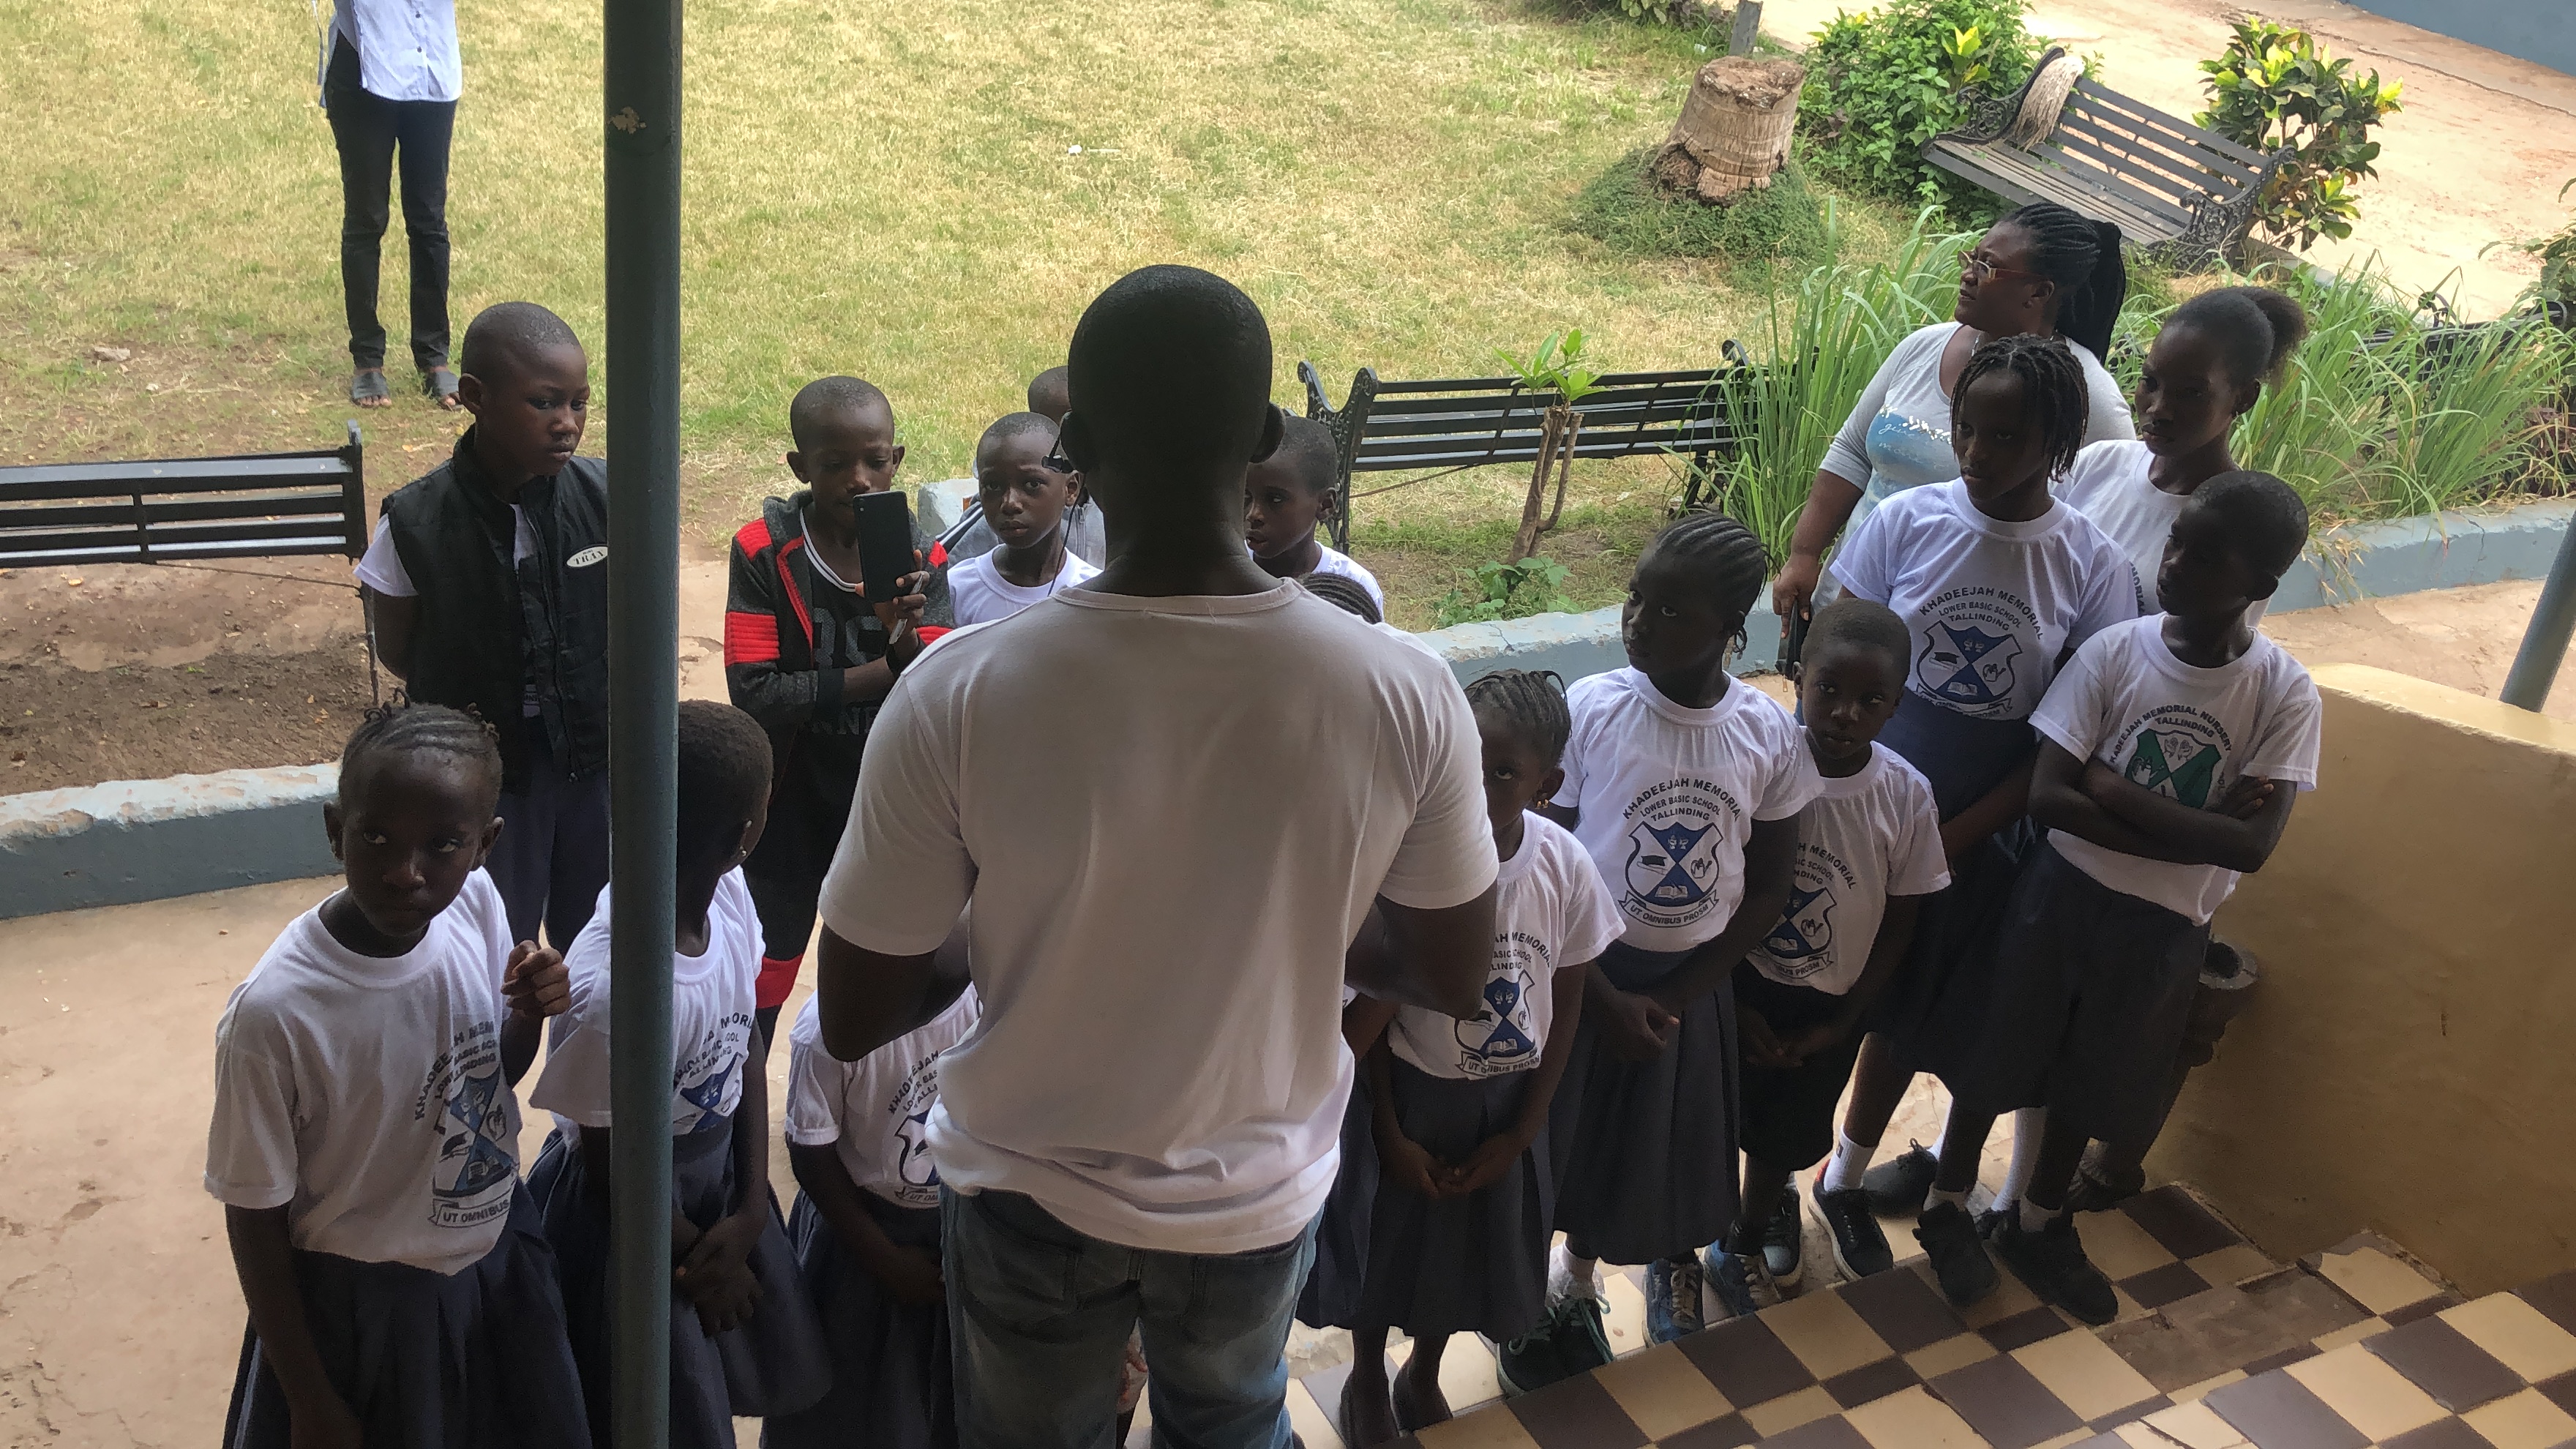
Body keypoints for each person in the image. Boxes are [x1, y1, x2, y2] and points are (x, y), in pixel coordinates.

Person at [812, 264, 1498, 1449]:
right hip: (1253, 1197)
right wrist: (1293, 915)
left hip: (1023, 1187)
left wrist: (1025, 913)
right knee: (1231, 1424)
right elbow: (1452, 972)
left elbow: (857, 1010)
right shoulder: (1400, 689)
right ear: (1260, 436)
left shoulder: (958, 692)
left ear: (1076, 449)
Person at [1947, 472, 2321, 1323]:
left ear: (2261, 585)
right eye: (2177, 540)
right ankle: (1948, 1199)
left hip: (2165, 926)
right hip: (2060, 893)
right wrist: (2197, 829)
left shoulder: (2283, 692)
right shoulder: (2116, 652)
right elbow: (2049, 796)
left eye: (2207, 557)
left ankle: (2037, 1220)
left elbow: (2252, 847)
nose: (2175, 562)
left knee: (2096, 1075)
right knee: (2000, 1046)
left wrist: (2112, 788)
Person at [1816, 334, 2138, 1306]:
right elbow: (1838, 660)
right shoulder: (1905, 522)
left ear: (2058, 444)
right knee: (1860, 999)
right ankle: (1839, 1177)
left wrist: (1950, 839)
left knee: (1951, 1007)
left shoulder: (2089, 564)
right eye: (1968, 429)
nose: (1977, 452)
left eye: (2006, 437)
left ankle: (1953, 1194)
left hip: (1991, 825)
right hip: (1877, 803)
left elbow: (2068, 735)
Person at [209, 703, 591, 1449]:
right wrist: (310, 1399)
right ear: (335, 830)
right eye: (376, 837)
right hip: (367, 1311)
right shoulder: (276, 1015)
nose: (404, 872)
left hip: (497, 1262)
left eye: (442, 844)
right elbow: (252, 1218)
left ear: (484, 846)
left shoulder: (474, 903)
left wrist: (526, 1015)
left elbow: (484, 1083)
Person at [1503, 512, 1821, 1378]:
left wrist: (1675, 999)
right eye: (1637, 597)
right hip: (1580, 978)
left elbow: (1767, 888)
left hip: (1685, 990)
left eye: (1671, 610)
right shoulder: (1592, 710)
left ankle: (1575, 1287)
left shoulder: (1765, 733)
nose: (1639, 620)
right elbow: (1545, 867)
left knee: (1627, 1156)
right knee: (1550, 1144)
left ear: (1731, 629)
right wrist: (1604, 998)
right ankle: (1520, 1303)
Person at [1325, 670, 1621, 1445]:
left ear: (1547, 785)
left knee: (1463, 1254)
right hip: (1409, 1093)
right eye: (1464, 763)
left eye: (1502, 773)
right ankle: (1367, 1375)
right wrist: (1388, 1130)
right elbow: (1376, 1008)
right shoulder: (1404, 862)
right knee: (1384, 1247)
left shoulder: (1563, 866)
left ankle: (1422, 1373)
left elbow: (1568, 1002)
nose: (1475, 787)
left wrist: (1523, 1131)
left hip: (1505, 1102)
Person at [528, 700, 831, 1446]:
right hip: (634, 1221)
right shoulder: (614, 993)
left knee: (709, 1377)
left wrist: (751, 1211)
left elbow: (745, 1043)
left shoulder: (729, 898)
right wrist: (700, 1257)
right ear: (746, 833)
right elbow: (608, 1164)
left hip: (718, 1184)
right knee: (652, 1399)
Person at [1710, 599, 1948, 1313]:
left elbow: (1901, 922)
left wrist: (1844, 1022)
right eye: (1830, 690)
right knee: (1710, 1120)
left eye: (1871, 700)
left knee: (1782, 1137)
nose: (1845, 714)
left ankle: (1746, 1238)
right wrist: (1731, 999)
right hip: (1741, 985)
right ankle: (1688, 1242)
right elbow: (1719, 887)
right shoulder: (1757, 767)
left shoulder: (1904, 796)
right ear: (1798, 677)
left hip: (1828, 1005)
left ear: (1896, 705)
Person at [359, 302, 610, 948]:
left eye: (579, 403)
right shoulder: (417, 521)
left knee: (600, 940)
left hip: (594, 763)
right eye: (544, 403)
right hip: (486, 779)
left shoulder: (606, 498)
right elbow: (399, 649)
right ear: (474, 397)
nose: (567, 423)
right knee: (494, 944)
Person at [1772, 203, 2136, 625]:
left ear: (2039, 293)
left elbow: (2102, 521)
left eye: (1987, 267)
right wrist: (1804, 554)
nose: (1967, 275)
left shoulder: (2088, 397)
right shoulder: (1923, 348)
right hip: (1843, 608)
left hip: (1963, 631)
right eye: (1971, 259)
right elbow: (1853, 449)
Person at [727, 377, 943, 1046]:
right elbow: (755, 692)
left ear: (896, 460)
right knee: (765, 974)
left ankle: (857, 1099)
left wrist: (901, 640)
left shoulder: (924, 556)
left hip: (886, 799)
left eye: (875, 461)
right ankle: (744, 1085)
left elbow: (935, 683)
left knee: (878, 978)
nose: (859, 479)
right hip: (788, 805)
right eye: (834, 464)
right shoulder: (764, 550)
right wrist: (887, 668)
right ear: (800, 467)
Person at [764, 934, 979, 1449]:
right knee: (842, 1399)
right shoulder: (827, 1032)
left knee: (939, 1393)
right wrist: (885, 1259)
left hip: (957, 1223)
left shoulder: (979, 991)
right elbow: (811, 1153)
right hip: (858, 1234)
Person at [2061, 286, 2312, 613]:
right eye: (2150, 382)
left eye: (2191, 393)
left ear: (2244, 398)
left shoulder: (2239, 525)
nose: (2158, 408)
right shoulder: (2097, 464)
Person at [320, 0, 463, 408]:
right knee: (366, 218)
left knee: (429, 219)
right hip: (364, 68)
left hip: (431, 67)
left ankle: (433, 357)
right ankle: (368, 360)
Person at [946, 413, 1101, 626]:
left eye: (1032, 484)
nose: (1010, 503)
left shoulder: (1093, 593)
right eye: (993, 486)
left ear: (1071, 489)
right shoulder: (959, 589)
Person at [1248, 415, 1385, 613]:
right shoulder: (1220, 572)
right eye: (1246, 496)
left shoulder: (1351, 587)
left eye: (1275, 499)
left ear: (1325, 505)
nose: (1253, 514)